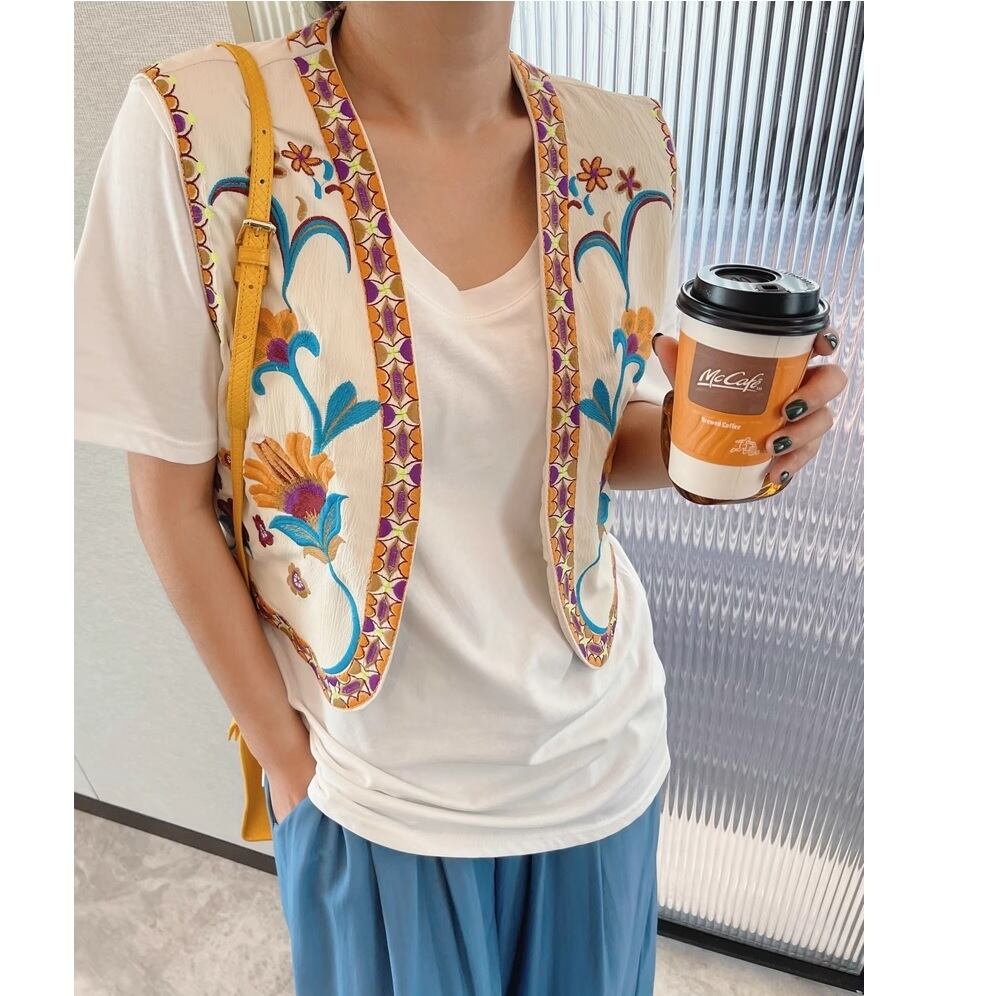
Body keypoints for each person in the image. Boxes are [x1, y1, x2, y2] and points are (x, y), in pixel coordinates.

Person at [74, 2, 847, 993]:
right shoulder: (203, 130)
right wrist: (291, 767)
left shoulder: (625, 148)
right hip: (376, 800)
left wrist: (731, 445)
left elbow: (590, 438)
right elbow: (170, 500)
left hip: (601, 766)